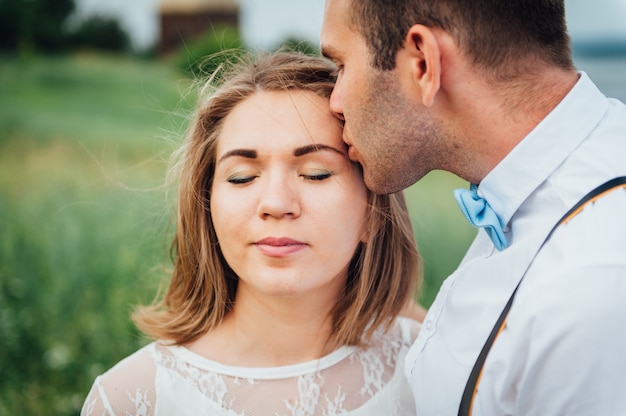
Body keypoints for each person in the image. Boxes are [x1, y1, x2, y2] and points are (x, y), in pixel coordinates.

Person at [320, 0, 626, 414]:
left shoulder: (589, 287)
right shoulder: (534, 195)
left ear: (423, 63)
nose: (334, 103)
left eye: (340, 66)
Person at [81, 51, 424, 416]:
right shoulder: (132, 399)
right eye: (242, 177)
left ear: (374, 213)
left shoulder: (429, 366)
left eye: (316, 173)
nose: (276, 203)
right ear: (207, 207)